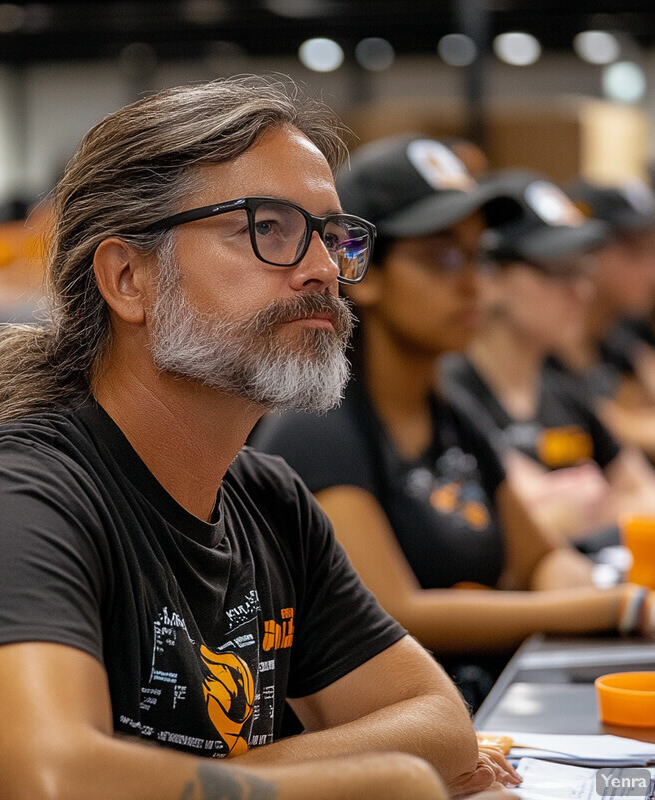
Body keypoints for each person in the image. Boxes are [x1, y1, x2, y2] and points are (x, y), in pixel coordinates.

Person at [0, 78, 518, 800]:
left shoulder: (268, 499)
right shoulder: (3, 501)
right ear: (129, 277)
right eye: (267, 227)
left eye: (332, 235)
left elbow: (441, 728)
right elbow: (52, 785)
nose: (325, 268)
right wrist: (377, 779)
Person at [251, 134, 654, 710]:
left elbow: (541, 556)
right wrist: (619, 607)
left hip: (490, 710)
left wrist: (583, 593)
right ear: (364, 272)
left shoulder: (450, 412)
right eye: (441, 257)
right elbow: (396, 610)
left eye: (477, 256)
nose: (472, 283)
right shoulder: (318, 427)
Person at [440, 169, 655, 552]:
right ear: (493, 279)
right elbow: (508, 529)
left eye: (582, 267)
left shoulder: (565, 390)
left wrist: (575, 509)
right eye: (558, 270)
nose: (581, 290)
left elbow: (646, 498)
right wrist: (593, 499)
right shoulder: (453, 392)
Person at [557, 177, 655, 458]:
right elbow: (606, 427)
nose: (652, 272)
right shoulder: (552, 342)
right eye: (635, 251)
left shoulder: (621, 338)